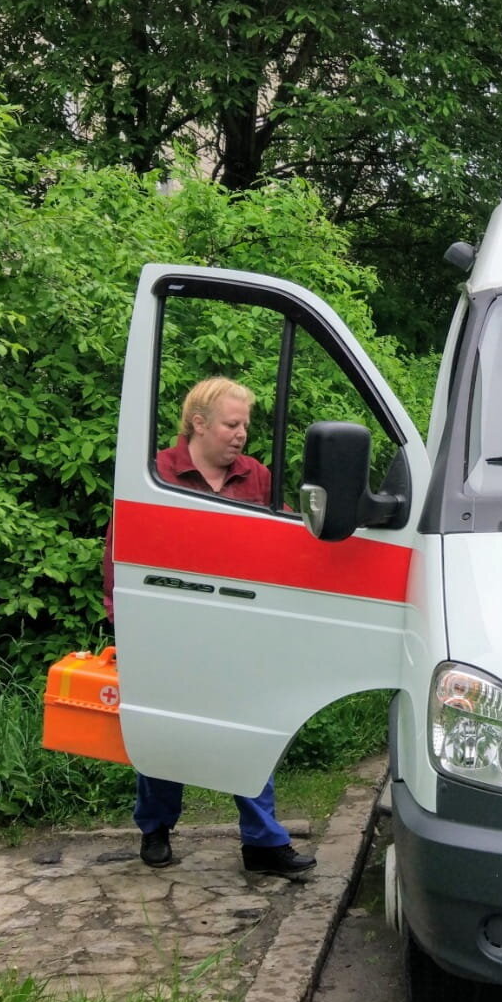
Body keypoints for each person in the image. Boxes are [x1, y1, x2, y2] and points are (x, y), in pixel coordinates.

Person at [102, 376, 317, 877]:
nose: (242, 433)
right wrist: (124, 620)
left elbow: (279, 542)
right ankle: (155, 829)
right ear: (198, 424)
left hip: (237, 628)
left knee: (251, 729)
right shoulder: (155, 473)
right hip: (169, 627)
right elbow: (121, 547)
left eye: (245, 424)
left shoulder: (256, 477)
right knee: (165, 732)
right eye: (232, 423)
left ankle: (263, 842)